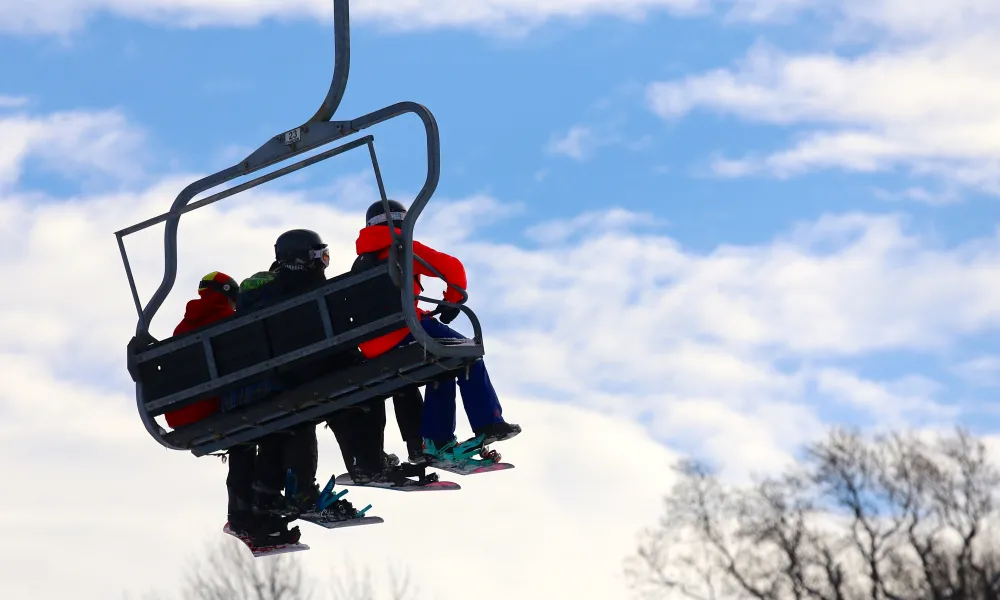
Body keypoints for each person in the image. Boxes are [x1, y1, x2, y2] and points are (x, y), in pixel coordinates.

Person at [353, 200, 521, 464]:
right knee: (467, 351)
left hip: (372, 344)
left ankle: (438, 439)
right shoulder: (401, 247)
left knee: (441, 364)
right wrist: (452, 300)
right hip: (405, 329)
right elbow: (453, 268)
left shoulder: (360, 262)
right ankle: (487, 422)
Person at [234, 229, 377, 537]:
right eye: (320, 255)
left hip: (255, 384)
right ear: (305, 258)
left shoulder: (257, 291)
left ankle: (268, 494)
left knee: (287, 421)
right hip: (295, 376)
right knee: (330, 401)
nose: (324, 263)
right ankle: (359, 464)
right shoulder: (309, 288)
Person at [164, 273, 261, 543]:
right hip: (208, 408)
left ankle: (242, 515)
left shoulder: (182, 327)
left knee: (243, 436)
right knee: (250, 430)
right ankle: (251, 511)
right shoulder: (228, 321)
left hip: (179, 413)